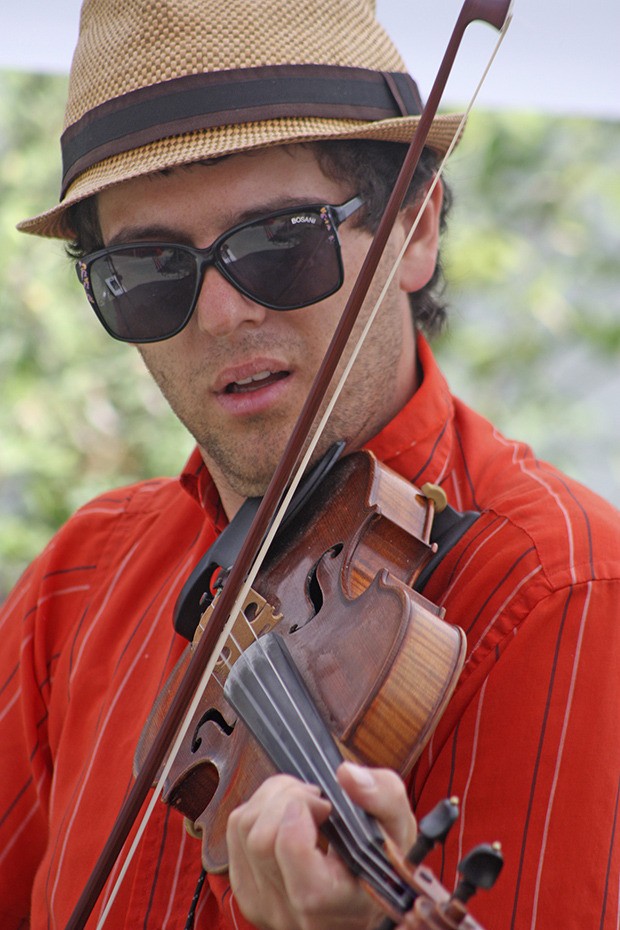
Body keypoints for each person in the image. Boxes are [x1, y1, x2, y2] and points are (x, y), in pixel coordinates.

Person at [1, 0, 618, 928]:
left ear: (415, 228)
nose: (219, 317)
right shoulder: (78, 583)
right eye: (149, 271)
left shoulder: (564, 587)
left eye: (281, 243)